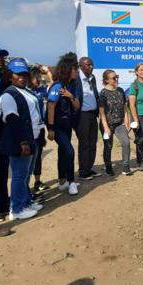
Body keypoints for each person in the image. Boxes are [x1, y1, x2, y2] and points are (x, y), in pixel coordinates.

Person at [0, 58, 44, 220]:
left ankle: (26, 201)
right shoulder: (8, 95)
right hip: (20, 141)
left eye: (24, 74)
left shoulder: (26, 91)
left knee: (26, 174)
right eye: (18, 74)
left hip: (32, 139)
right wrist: (23, 143)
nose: (22, 77)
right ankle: (16, 209)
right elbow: (12, 120)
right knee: (19, 175)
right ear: (10, 76)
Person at [46, 52, 80, 195]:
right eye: (75, 69)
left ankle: (62, 181)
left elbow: (77, 105)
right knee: (69, 151)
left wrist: (71, 96)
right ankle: (71, 182)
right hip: (57, 126)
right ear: (68, 70)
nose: (77, 71)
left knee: (63, 152)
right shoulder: (57, 86)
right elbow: (50, 107)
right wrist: (51, 129)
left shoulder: (71, 86)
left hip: (67, 125)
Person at [99, 70, 132, 176]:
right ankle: (108, 166)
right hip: (107, 124)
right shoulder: (103, 93)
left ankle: (126, 167)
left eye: (117, 77)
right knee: (108, 146)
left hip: (119, 123)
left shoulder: (120, 90)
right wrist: (106, 127)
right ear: (106, 80)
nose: (116, 79)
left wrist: (127, 122)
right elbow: (102, 112)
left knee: (126, 142)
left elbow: (125, 107)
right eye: (113, 78)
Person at [75, 57, 101, 180]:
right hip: (82, 116)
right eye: (88, 65)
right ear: (81, 66)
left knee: (93, 142)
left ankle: (89, 168)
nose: (91, 67)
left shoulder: (92, 77)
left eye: (92, 64)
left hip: (92, 114)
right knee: (84, 143)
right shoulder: (77, 78)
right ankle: (83, 172)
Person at [28, 65, 53, 193]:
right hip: (29, 129)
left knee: (38, 156)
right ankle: (25, 186)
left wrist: (48, 72)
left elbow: (52, 86)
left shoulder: (41, 90)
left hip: (40, 127)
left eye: (39, 76)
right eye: (35, 77)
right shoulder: (25, 91)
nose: (38, 79)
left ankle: (37, 182)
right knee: (29, 157)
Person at [0, 45, 11, 226]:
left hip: (1, 128)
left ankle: (2, 203)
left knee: (2, 166)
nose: (0, 58)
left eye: (1, 56)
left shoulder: (3, 77)